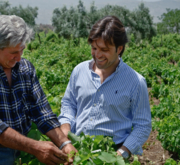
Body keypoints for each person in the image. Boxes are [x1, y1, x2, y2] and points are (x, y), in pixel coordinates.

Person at [0, 15, 76, 165]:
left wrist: (64, 143)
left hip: (24, 153)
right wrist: (36, 147)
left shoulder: (25, 68)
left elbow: (41, 112)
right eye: (14, 52)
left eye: (22, 50)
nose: (19, 58)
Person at [58, 15, 151, 159]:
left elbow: (143, 125)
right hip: (77, 149)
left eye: (104, 49)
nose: (98, 54)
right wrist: (65, 133)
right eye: (94, 48)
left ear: (119, 49)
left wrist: (121, 154)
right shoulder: (79, 71)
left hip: (112, 153)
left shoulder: (136, 82)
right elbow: (69, 104)